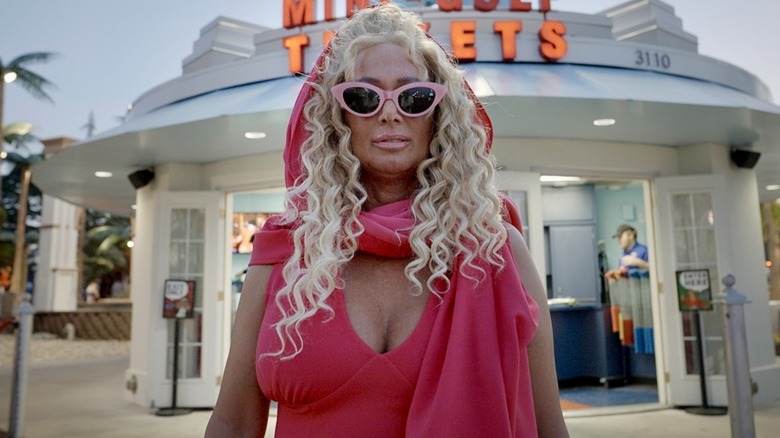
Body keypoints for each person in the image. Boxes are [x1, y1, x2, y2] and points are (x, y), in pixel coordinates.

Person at [206, 4, 568, 437]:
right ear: (335, 115)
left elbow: (549, 428)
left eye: (414, 97)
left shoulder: (496, 249)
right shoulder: (286, 249)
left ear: (440, 114)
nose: (390, 113)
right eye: (364, 96)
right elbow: (232, 424)